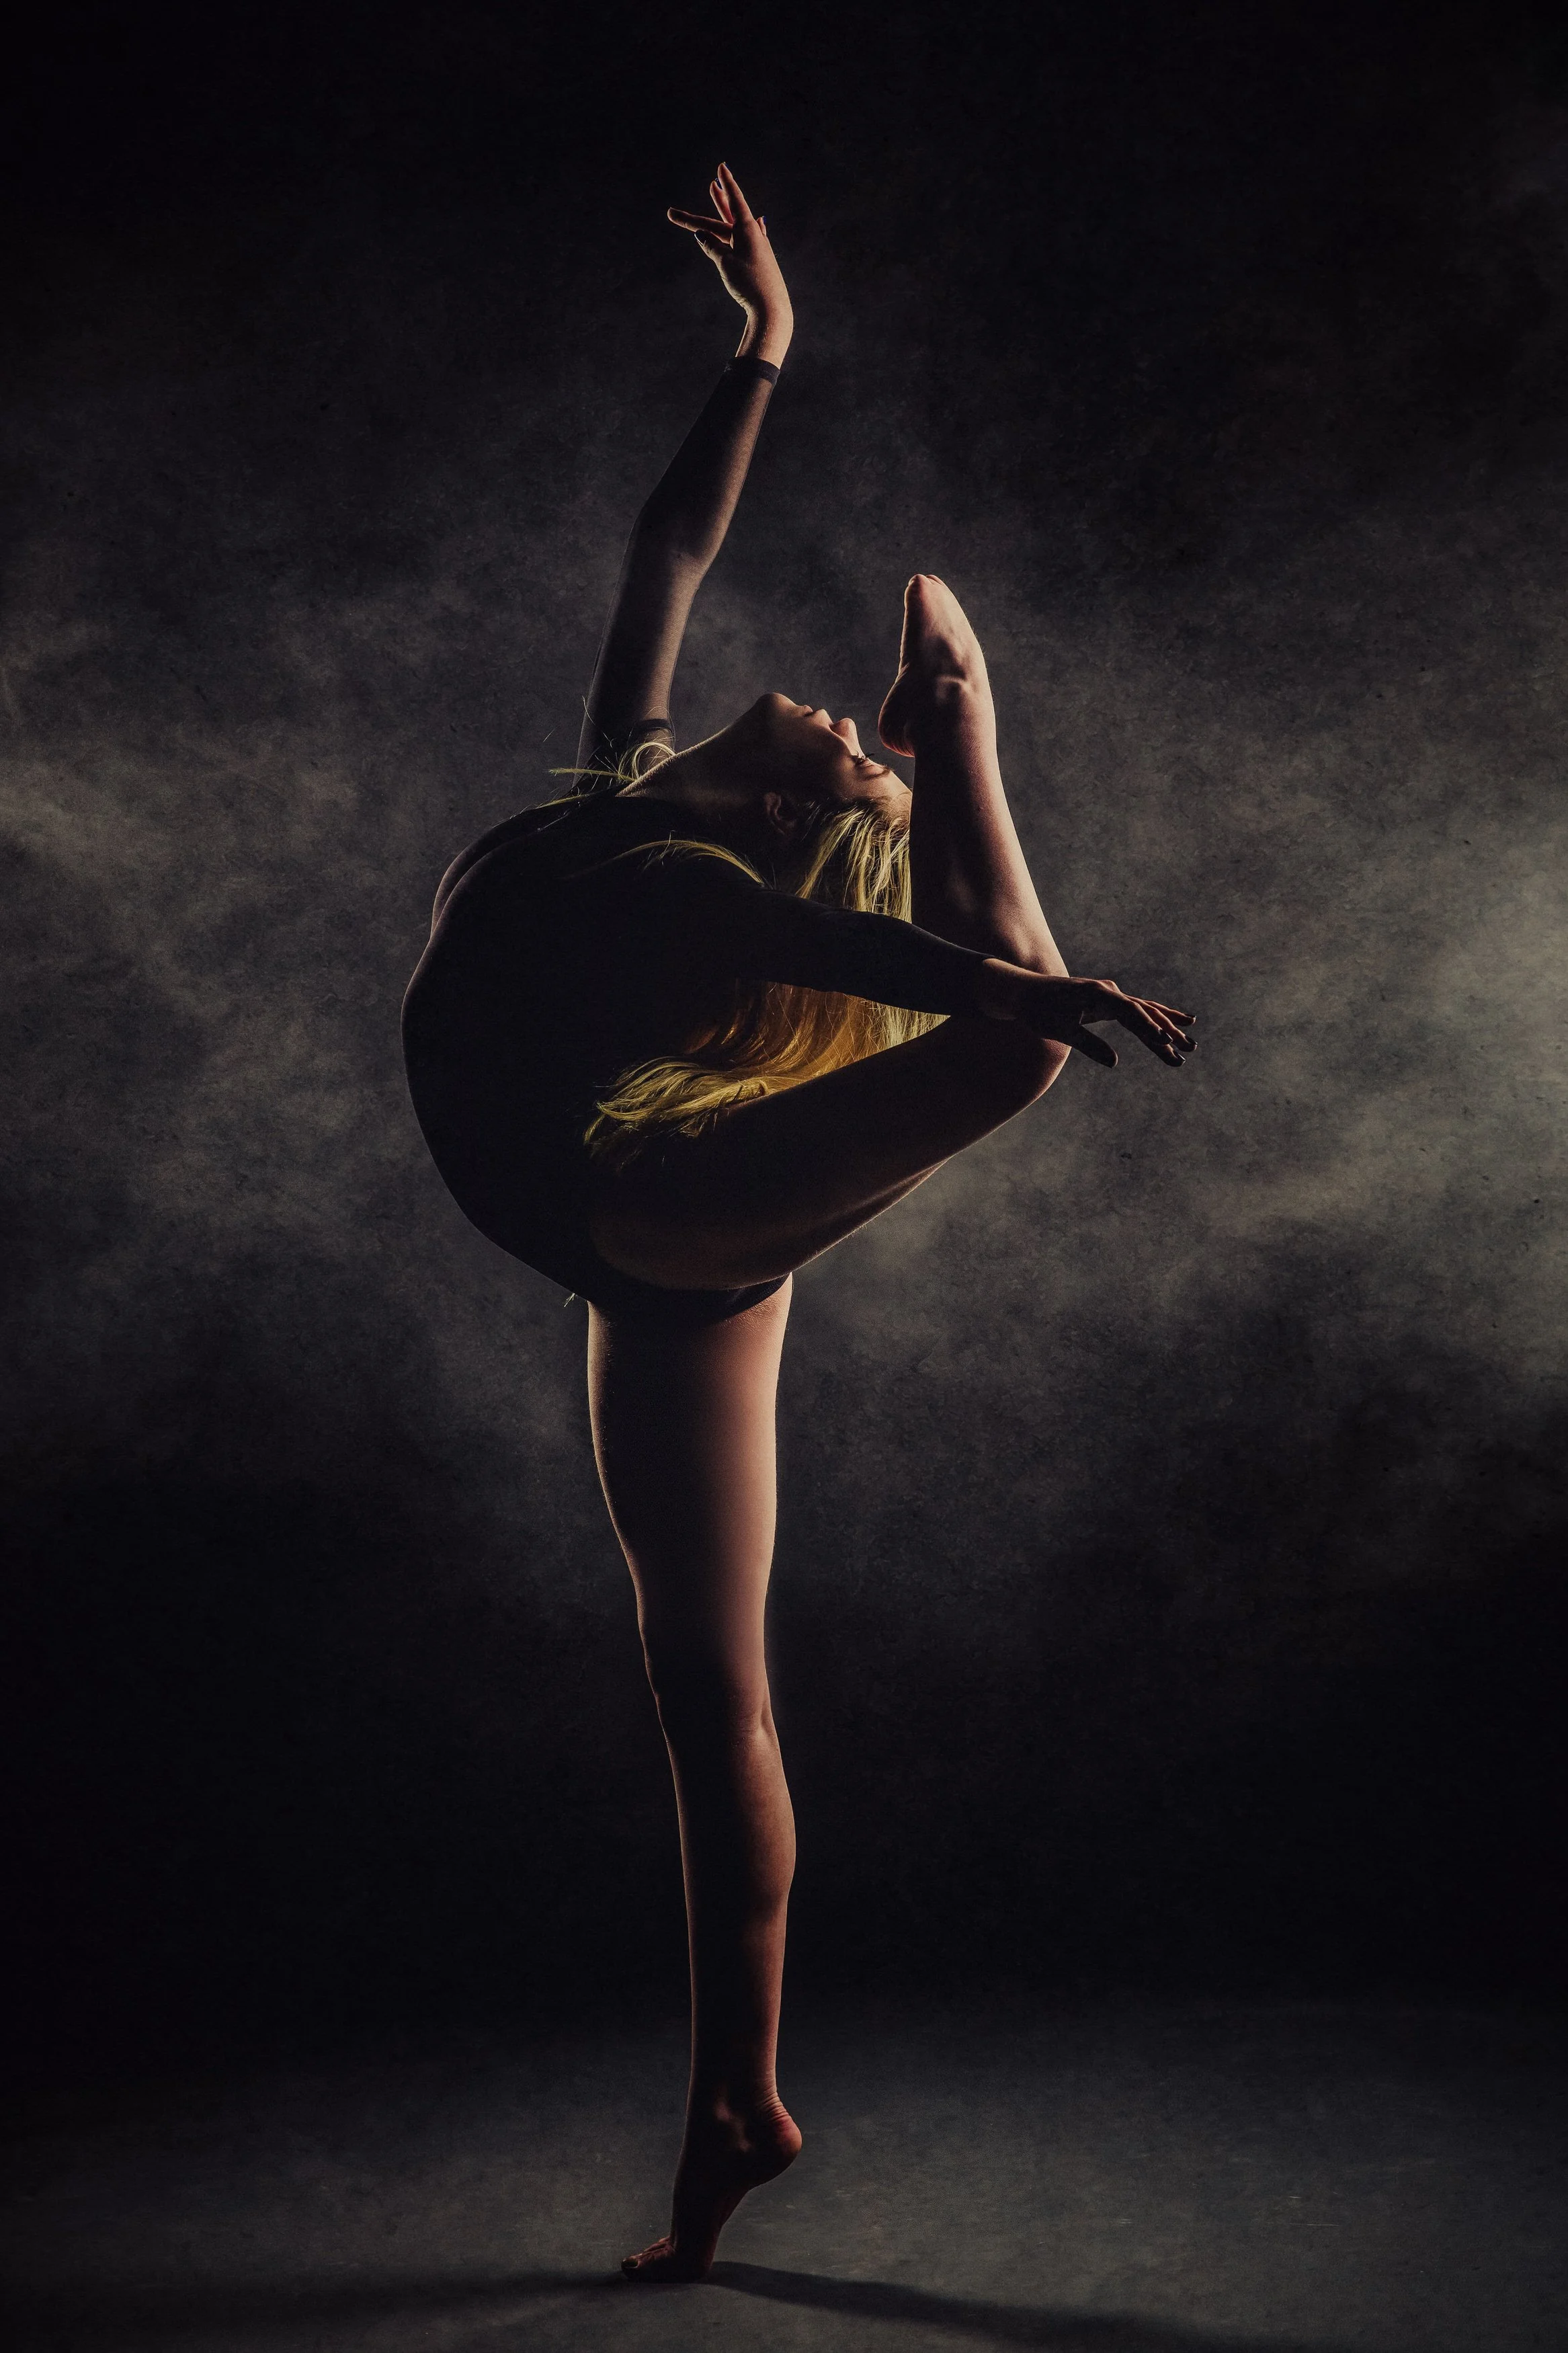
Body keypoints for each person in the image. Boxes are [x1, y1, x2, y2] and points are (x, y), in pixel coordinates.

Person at [401, 163, 1194, 2282]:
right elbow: (669, 543)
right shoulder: (615, 792)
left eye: (855, 748)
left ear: (791, 814)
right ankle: (737, 2100)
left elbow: (886, 970)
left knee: (1002, 1050)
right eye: (861, 736)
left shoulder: (684, 891)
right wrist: (763, 349)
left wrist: (1014, 963)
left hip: (644, 1210)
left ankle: (986, 748)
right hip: (627, 1200)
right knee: (705, 1694)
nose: (823, 717)